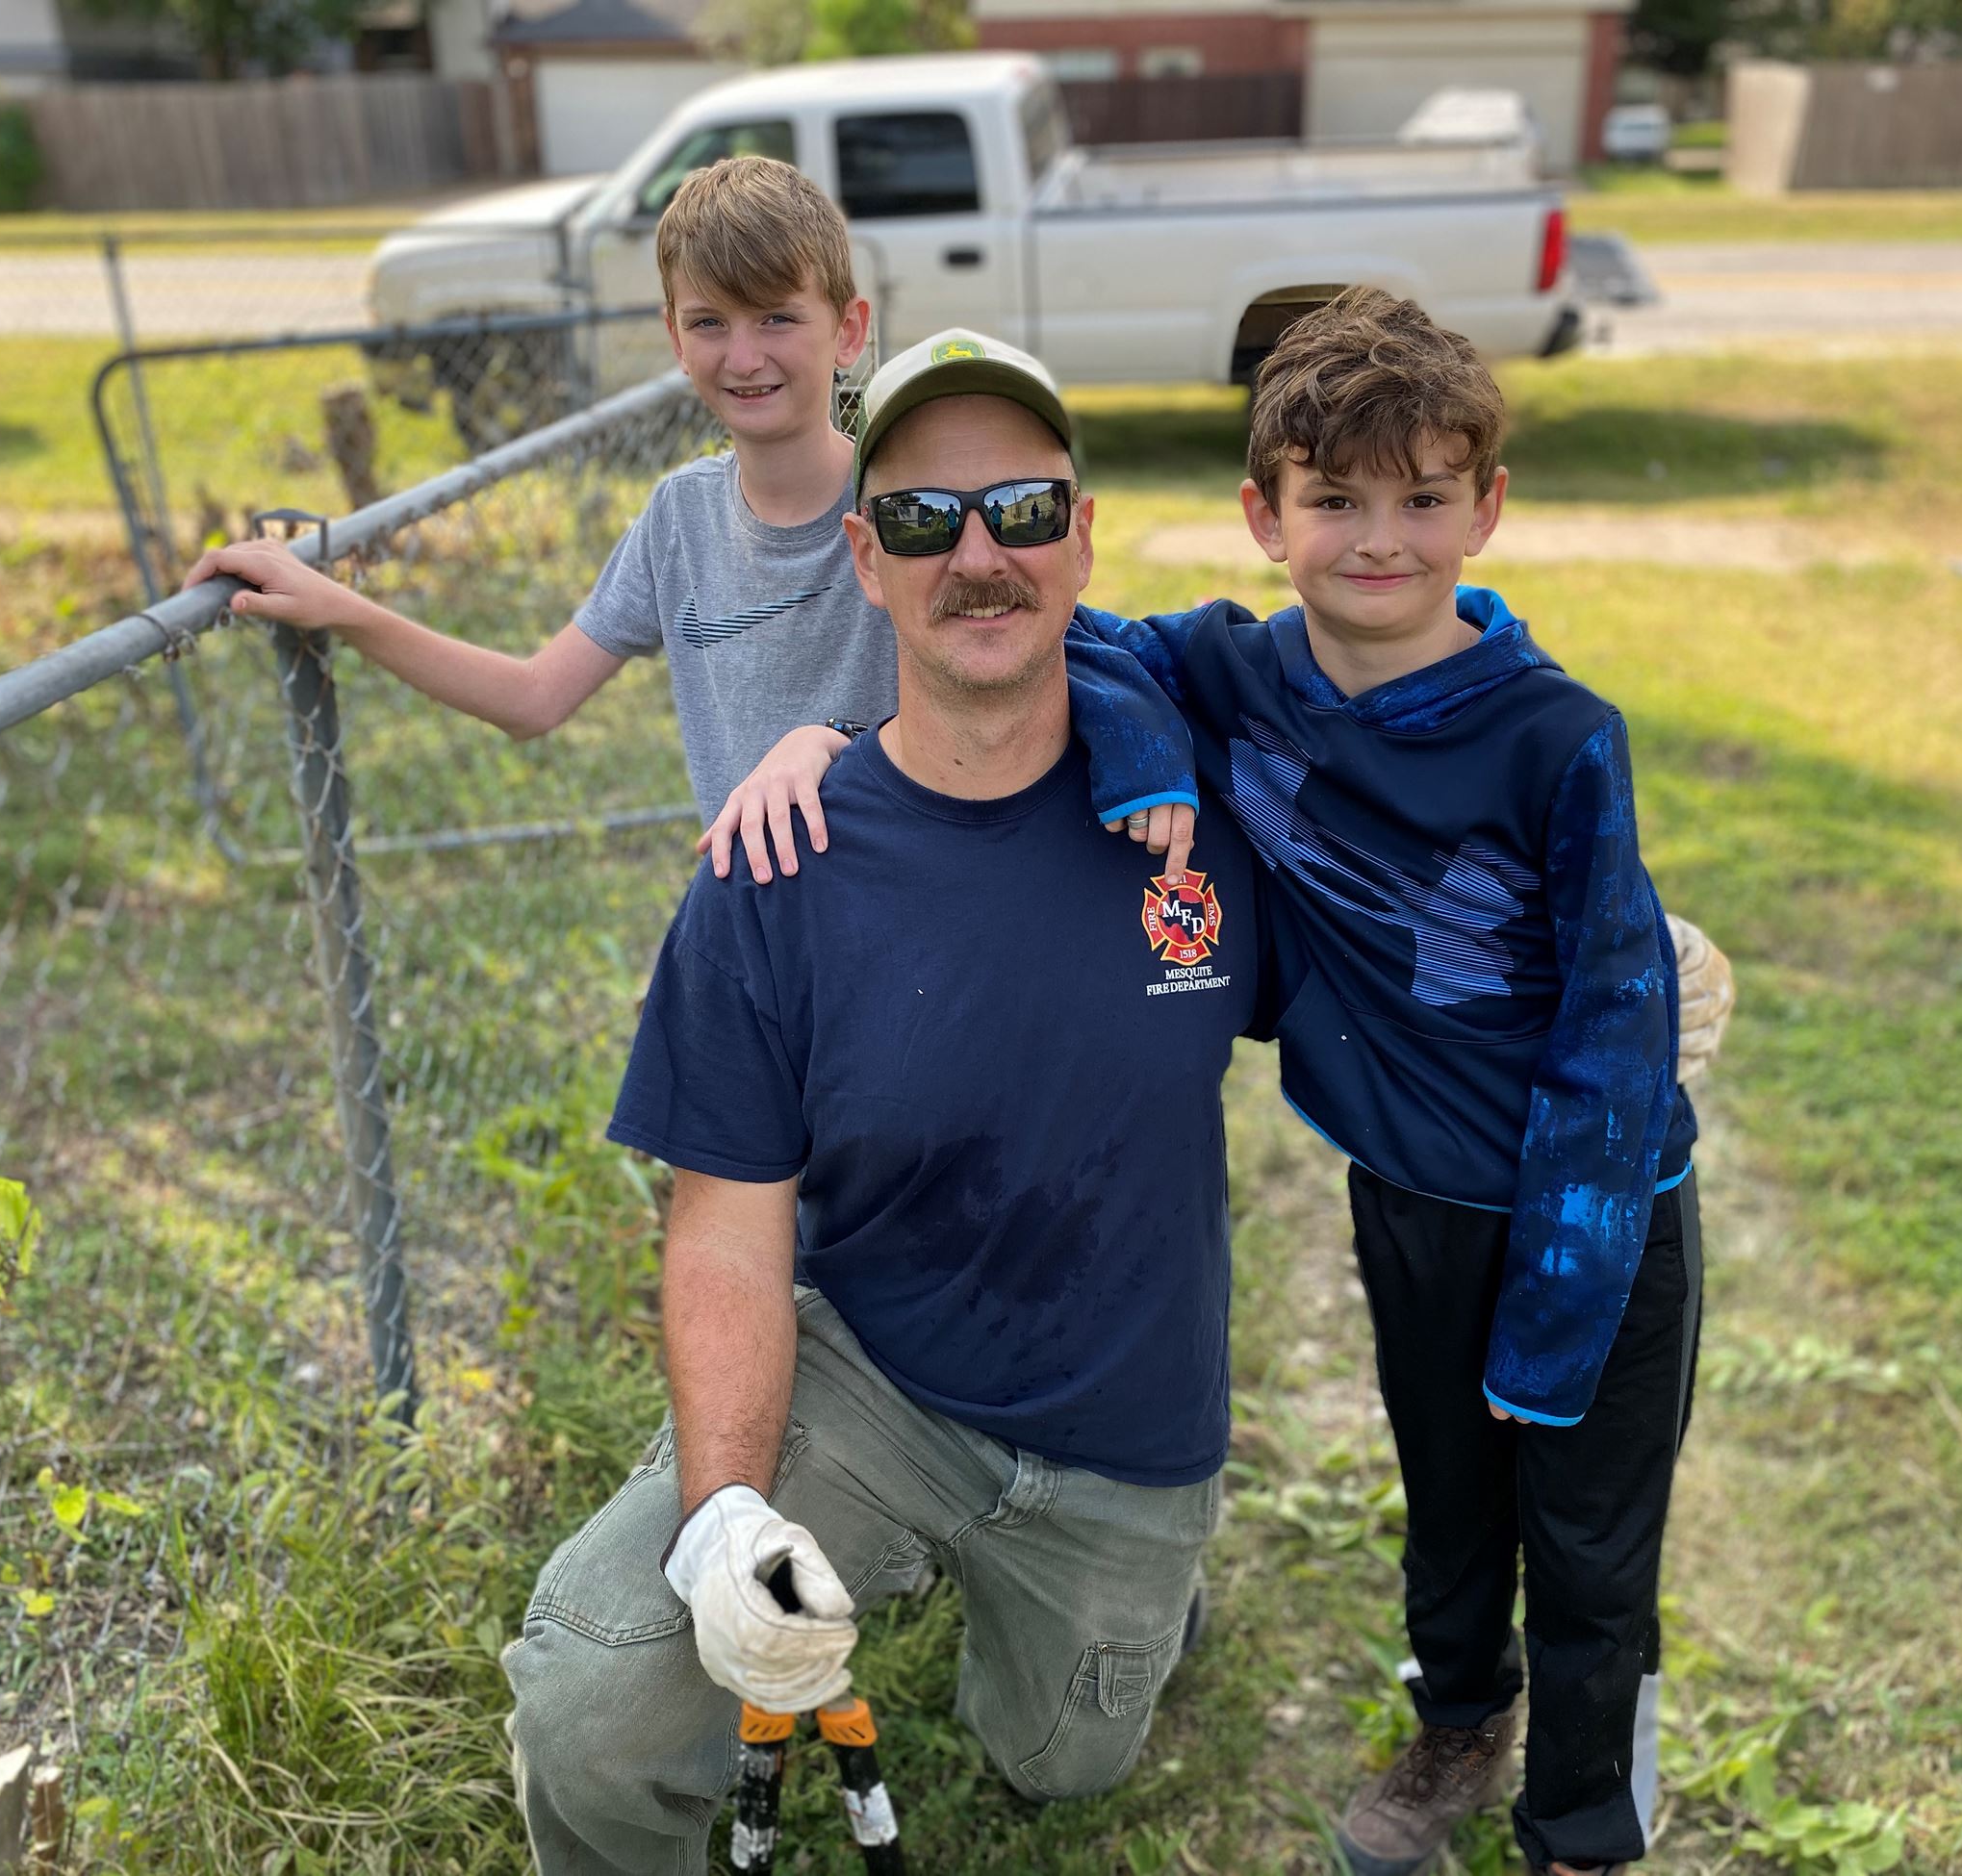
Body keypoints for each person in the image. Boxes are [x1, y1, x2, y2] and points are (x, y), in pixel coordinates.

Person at [721, 288, 1702, 1876]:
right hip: (1412, 1198)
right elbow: (1060, 640)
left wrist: (1559, 1298)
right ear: (1264, 513)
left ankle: (1582, 1824)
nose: (1378, 542)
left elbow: (1615, 1029)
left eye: (1423, 499)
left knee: (1586, 1543)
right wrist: (843, 742)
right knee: (1448, 1501)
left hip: (1593, 1221)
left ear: (1486, 507)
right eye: (1335, 500)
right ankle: (1457, 1725)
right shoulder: (1239, 676)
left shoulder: (1558, 738)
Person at [498, 333, 1273, 1874]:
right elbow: (725, 1222)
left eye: (1023, 511)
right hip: (879, 1385)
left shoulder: (1213, 814)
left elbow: (1401, 907)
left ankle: (1108, 1607)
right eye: (923, 520)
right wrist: (723, 1509)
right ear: (864, 557)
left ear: (1084, 536)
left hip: (1131, 1426)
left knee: (1056, 1763)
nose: (978, 555)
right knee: (588, 1707)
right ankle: (830, 1547)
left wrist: (1597, 971)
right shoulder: (773, 865)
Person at [183, 154, 1197, 864]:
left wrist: (827, 739)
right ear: (674, 338)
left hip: (913, 882)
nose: (743, 356)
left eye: (776, 319)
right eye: (709, 323)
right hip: (759, 904)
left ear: (847, 330)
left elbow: (1019, 666)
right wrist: (337, 609)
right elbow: (537, 698)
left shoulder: (910, 514)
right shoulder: (676, 521)